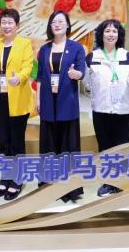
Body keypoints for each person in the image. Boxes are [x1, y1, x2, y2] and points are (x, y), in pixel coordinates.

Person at [84, 19, 129, 197]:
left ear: (119, 35)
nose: (111, 34)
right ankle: (109, 182)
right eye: (107, 31)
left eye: (114, 31)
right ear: (101, 34)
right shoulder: (92, 57)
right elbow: (87, 82)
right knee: (105, 147)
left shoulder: (128, 57)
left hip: (123, 110)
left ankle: (122, 182)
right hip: (101, 110)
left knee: (123, 147)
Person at [36, 11, 86, 203]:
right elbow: (40, 76)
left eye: (60, 21)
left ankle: (69, 187)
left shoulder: (76, 48)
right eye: (53, 22)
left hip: (67, 102)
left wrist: (77, 74)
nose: (57, 24)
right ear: (50, 26)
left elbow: (81, 71)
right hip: (48, 102)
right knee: (49, 144)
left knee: (68, 146)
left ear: (67, 25)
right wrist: (38, 99)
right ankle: (49, 183)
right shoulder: (44, 49)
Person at [0, 9, 34, 201]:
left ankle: (18, 180)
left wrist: (19, 78)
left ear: (17, 25)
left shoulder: (24, 44)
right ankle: (5, 178)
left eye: (10, 22)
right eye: (3, 22)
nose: (6, 26)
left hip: (18, 99)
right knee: (4, 142)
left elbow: (28, 66)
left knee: (17, 142)